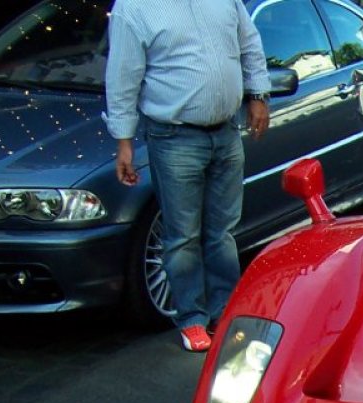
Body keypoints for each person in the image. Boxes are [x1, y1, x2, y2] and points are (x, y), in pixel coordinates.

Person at [104, 0, 271, 353]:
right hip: (174, 137)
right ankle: (192, 318)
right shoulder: (134, 8)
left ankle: (224, 311)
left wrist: (258, 95)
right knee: (182, 235)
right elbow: (123, 76)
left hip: (226, 131)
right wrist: (124, 141)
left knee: (222, 231)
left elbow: (249, 43)